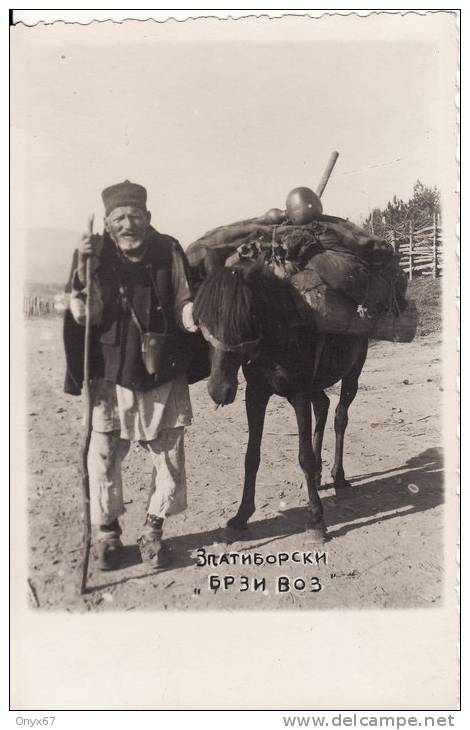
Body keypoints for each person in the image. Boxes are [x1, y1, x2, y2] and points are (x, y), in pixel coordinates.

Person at [64, 180, 198, 571]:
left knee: (170, 456)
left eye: (134, 216)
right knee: (104, 455)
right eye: (119, 217)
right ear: (107, 222)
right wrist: (84, 270)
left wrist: (196, 320)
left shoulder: (168, 248)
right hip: (109, 374)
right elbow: (85, 315)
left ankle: (153, 531)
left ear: (148, 217)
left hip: (162, 370)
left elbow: (183, 300)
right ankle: (107, 533)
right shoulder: (93, 253)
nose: (127, 224)